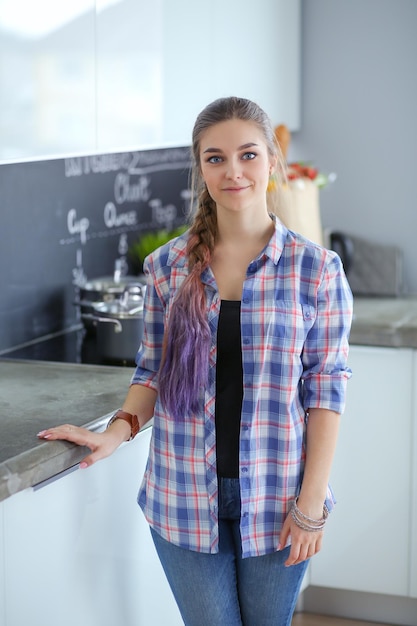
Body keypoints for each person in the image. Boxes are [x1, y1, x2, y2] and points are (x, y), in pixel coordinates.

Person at [38, 96, 353, 625]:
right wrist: (115, 433)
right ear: (200, 167)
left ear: (273, 162)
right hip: (182, 495)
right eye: (215, 158)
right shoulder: (167, 266)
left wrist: (311, 503)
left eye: (248, 155)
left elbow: (326, 389)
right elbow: (153, 372)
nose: (233, 171)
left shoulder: (316, 269)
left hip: (280, 499)